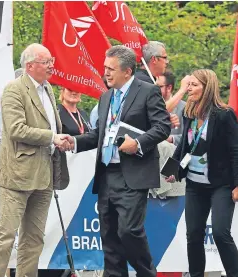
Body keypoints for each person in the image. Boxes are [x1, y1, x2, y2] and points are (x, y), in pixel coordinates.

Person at [65, 45, 172, 277]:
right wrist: (73, 141)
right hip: (107, 173)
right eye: (105, 68)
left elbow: (162, 126)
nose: (106, 73)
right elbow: (99, 134)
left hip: (133, 174)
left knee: (129, 230)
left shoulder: (147, 91)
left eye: (111, 69)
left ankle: (147, 273)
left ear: (128, 71)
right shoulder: (105, 97)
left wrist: (139, 143)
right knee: (110, 236)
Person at [0, 43, 69, 277]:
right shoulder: (14, 89)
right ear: (30, 66)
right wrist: (52, 137)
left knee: (34, 238)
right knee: (6, 235)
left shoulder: (48, 89)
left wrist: (61, 139)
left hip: (44, 174)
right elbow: (16, 129)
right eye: (46, 62)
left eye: (51, 61)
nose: (52, 65)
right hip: (17, 174)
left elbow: (50, 127)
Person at [166, 69, 238, 277]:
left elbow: (236, 151)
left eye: (193, 84)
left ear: (206, 87)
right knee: (193, 235)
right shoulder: (189, 113)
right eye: (188, 84)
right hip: (195, 184)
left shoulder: (224, 114)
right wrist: (171, 169)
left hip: (221, 184)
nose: (189, 88)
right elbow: (184, 145)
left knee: (220, 233)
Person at [158, 71, 186, 146]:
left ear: (169, 88)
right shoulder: (150, 105)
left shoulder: (185, 108)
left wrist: (171, 139)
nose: (154, 89)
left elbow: (190, 137)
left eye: (158, 86)